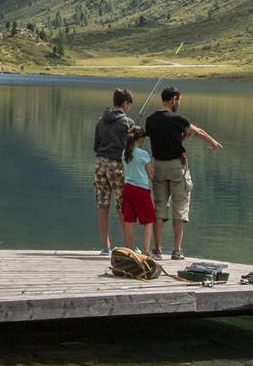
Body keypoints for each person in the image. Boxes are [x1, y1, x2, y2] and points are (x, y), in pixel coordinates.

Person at [143, 86, 222, 260]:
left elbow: (158, 138)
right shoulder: (177, 118)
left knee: (159, 207)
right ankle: (177, 251)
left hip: (158, 166)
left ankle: (156, 250)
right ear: (173, 100)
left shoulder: (150, 119)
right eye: (178, 100)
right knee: (180, 207)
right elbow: (196, 131)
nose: (179, 103)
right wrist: (213, 142)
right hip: (176, 167)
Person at [91, 87, 139, 253]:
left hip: (99, 164)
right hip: (117, 165)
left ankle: (106, 246)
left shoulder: (101, 120)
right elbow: (133, 149)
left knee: (102, 205)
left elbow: (96, 146)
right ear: (125, 103)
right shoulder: (128, 123)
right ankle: (128, 246)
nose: (129, 108)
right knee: (123, 206)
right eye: (129, 105)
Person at [119, 126, 159, 255]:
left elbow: (125, 173)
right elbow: (150, 174)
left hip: (127, 189)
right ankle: (146, 252)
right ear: (141, 139)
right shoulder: (144, 154)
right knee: (148, 220)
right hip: (141, 191)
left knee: (129, 220)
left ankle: (129, 251)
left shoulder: (124, 153)